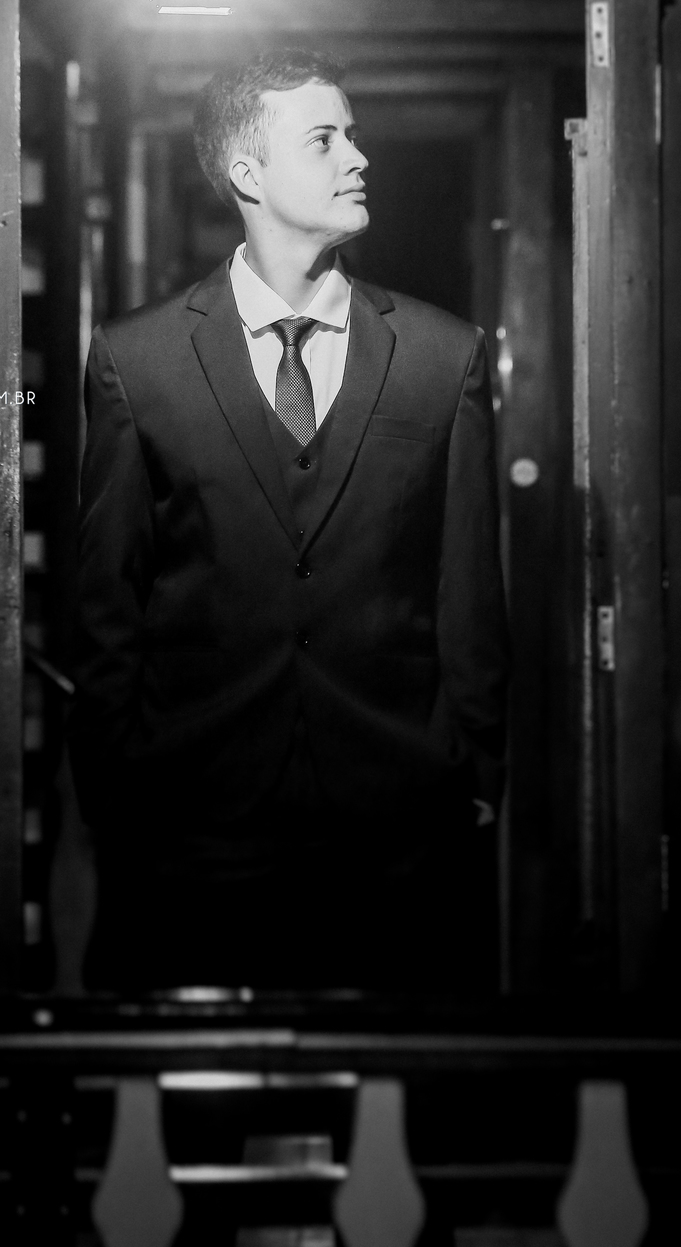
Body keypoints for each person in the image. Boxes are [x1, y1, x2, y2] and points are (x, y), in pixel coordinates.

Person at [70, 49, 509, 991]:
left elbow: (467, 586)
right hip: (195, 824)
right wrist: (114, 786)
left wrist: (475, 769)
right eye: (324, 140)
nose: (358, 158)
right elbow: (109, 600)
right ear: (248, 172)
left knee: (395, 1079)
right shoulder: (138, 360)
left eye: (353, 135)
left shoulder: (443, 356)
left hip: (397, 825)